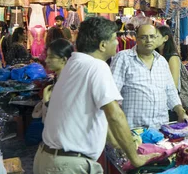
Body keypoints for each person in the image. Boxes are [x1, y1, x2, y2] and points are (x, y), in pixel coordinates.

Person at [34, 17, 155, 174]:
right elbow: (115, 115)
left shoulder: (74, 63)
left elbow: (96, 118)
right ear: (103, 45)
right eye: (114, 39)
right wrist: (135, 158)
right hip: (67, 166)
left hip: (50, 158)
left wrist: (120, 144)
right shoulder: (96, 66)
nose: (118, 42)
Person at [111, 24, 188, 128]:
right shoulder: (123, 58)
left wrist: (181, 112)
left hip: (161, 128)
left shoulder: (161, 61)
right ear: (136, 38)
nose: (149, 40)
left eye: (152, 36)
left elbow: (171, 91)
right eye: (144, 37)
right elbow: (112, 95)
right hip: (134, 130)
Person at [156, 26, 188, 112]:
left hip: (169, 104)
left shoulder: (172, 57)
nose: (152, 39)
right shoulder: (156, 55)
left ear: (165, 38)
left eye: (156, 36)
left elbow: (174, 85)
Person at [40, 38, 74, 121]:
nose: (46, 60)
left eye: (51, 57)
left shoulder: (67, 82)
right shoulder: (59, 78)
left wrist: (46, 99)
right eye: (47, 56)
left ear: (64, 59)